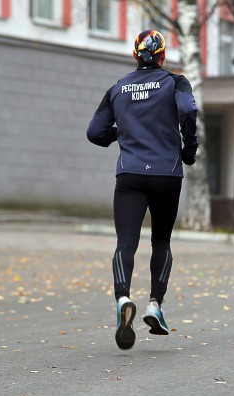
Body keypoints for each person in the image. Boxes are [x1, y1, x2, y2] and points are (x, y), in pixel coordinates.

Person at [86, 30, 198, 350]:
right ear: (163, 56)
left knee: (126, 242)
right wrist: (188, 149)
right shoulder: (176, 82)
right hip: (167, 174)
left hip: (130, 176)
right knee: (160, 239)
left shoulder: (118, 88)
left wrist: (120, 133)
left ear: (135, 56)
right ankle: (154, 305)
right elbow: (188, 111)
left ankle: (123, 298)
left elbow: (95, 132)